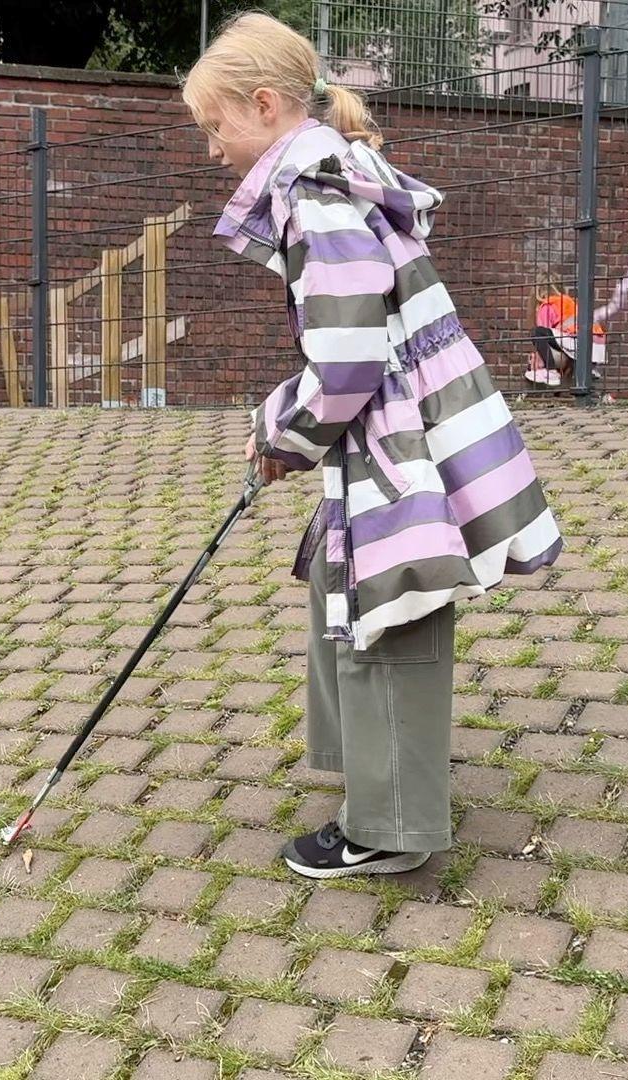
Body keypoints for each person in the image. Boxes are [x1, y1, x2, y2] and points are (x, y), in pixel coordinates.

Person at [185, 13, 561, 879]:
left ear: (267, 104)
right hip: (401, 423)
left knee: (389, 604)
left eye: (216, 126)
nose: (212, 150)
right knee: (347, 582)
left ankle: (391, 825)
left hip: (396, 437)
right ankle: (378, 779)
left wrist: (283, 432)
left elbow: (349, 356)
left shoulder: (316, 195)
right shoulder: (333, 178)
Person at [527, 252, 628, 387]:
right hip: (597, 349)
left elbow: (544, 338)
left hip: (577, 345)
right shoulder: (570, 303)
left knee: (538, 332)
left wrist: (541, 361)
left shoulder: (547, 306)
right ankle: (589, 371)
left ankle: (549, 372)